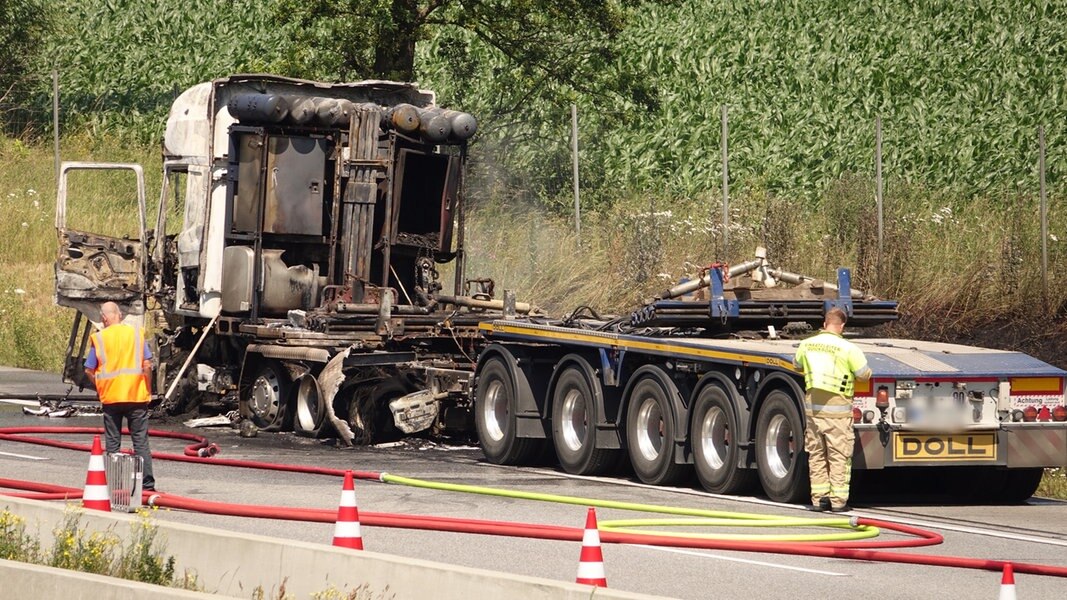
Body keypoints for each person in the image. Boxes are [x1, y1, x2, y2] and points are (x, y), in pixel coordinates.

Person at [792, 307, 871, 512]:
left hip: (813, 412)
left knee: (816, 453)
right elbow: (863, 374)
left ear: (825, 323)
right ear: (842, 326)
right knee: (839, 455)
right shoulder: (848, 348)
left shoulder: (806, 344)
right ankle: (838, 502)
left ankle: (819, 500)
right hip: (838, 411)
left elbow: (797, 365)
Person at [84, 302, 156, 491]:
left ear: (104, 318)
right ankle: (147, 486)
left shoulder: (100, 338)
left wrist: (101, 387)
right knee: (140, 442)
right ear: (120, 315)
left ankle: (114, 486)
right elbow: (147, 366)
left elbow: (88, 370)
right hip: (136, 396)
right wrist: (147, 389)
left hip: (112, 398)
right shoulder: (136, 334)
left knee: (113, 444)